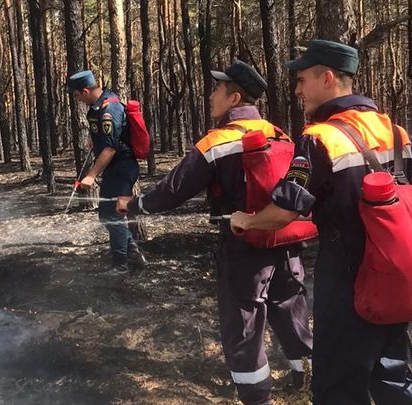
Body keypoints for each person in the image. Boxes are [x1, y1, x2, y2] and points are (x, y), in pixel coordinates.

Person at [229, 40, 412, 405]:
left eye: (302, 79)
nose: (297, 89)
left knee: (337, 382)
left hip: (347, 278)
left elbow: (286, 210)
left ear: (327, 78)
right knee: (394, 372)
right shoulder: (394, 130)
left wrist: (247, 219)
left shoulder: (320, 137)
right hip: (397, 272)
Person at [116, 61, 312, 405]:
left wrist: (134, 205)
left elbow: (173, 190)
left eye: (216, 90)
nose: (210, 96)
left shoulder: (217, 141)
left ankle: (257, 397)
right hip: (287, 241)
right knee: (290, 309)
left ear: (234, 98)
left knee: (244, 325)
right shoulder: (279, 132)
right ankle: (309, 379)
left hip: (243, 246)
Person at [67, 70, 146, 276]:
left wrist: (91, 175)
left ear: (85, 90)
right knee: (106, 215)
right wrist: (95, 139)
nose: (79, 100)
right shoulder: (96, 109)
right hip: (113, 169)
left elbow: (110, 149)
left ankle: (120, 266)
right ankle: (134, 255)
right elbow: (104, 139)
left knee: (113, 215)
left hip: (122, 167)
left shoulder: (110, 108)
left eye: (78, 96)